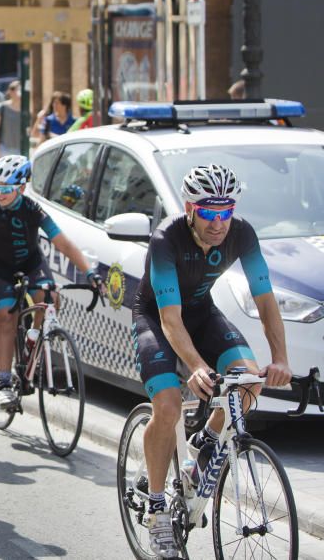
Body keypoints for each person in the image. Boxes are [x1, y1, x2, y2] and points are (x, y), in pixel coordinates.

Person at [132, 164, 291, 558]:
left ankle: (203, 445)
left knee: (249, 383)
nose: (219, 222)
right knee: (168, 406)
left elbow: (265, 299)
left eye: (225, 212)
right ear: (190, 208)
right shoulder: (165, 239)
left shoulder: (242, 233)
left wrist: (281, 358)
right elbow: (170, 319)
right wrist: (198, 366)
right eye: (209, 212)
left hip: (201, 312)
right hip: (156, 317)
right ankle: (156, 509)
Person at [0, 154, 101, 409]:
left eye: (7, 189)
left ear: (21, 187)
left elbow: (62, 243)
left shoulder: (32, 210)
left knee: (51, 297)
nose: (0, 193)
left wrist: (90, 273)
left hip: (30, 263)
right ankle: (5, 384)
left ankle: (33, 337)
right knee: (6, 318)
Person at [0, 80, 20, 159]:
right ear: (11, 92)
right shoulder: (2, 107)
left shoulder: (25, 110)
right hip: (4, 150)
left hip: (20, 150)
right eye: (18, 90)